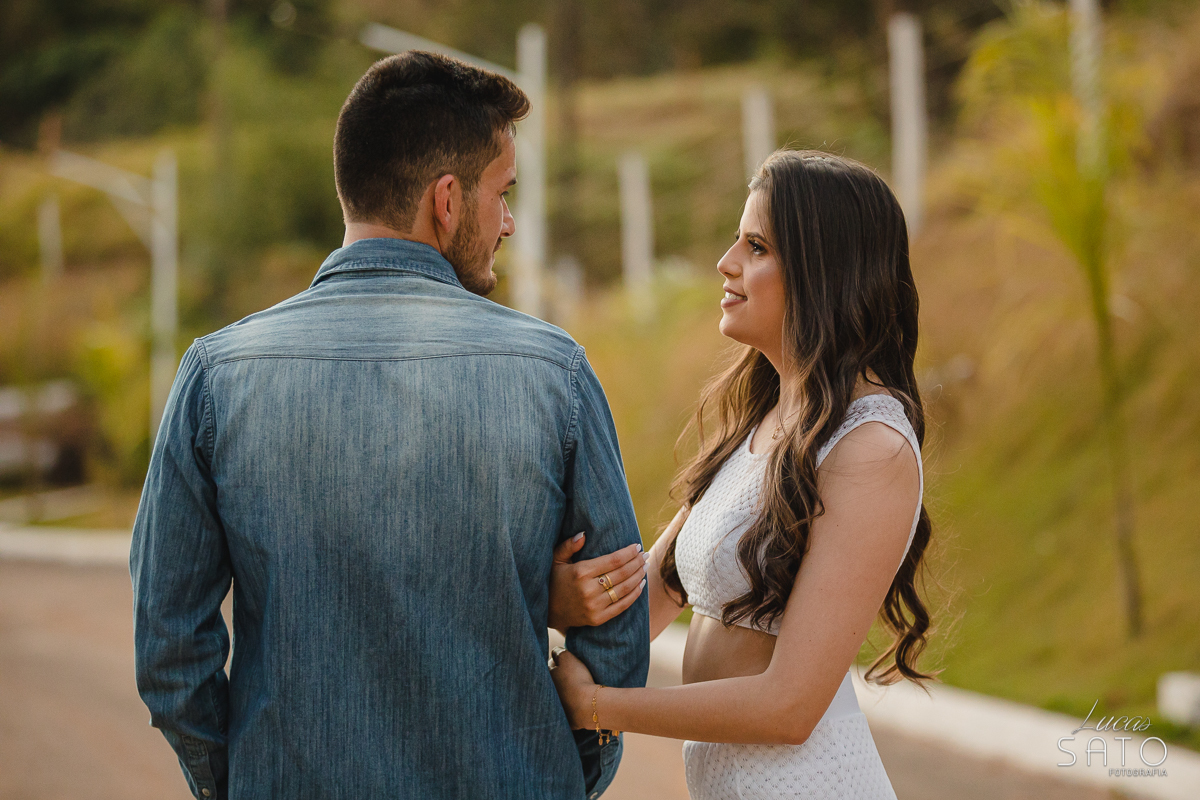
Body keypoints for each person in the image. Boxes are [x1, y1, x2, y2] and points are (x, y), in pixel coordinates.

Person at [130, 51, 648, 800]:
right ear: (447, 201)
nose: (507, 222)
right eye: (503, 193)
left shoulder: (217, 375)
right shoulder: (553, 372)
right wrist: (559, 777)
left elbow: (169, 648)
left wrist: (241, 783)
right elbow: (618, 638)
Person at [547, 150, 935, 799]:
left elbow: (789, 707)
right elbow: (650, 597)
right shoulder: (769, 419)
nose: (726, 263)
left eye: (756, 247)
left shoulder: (871, 447)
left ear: (824, 270)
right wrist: (561, 600)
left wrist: (597, 707)